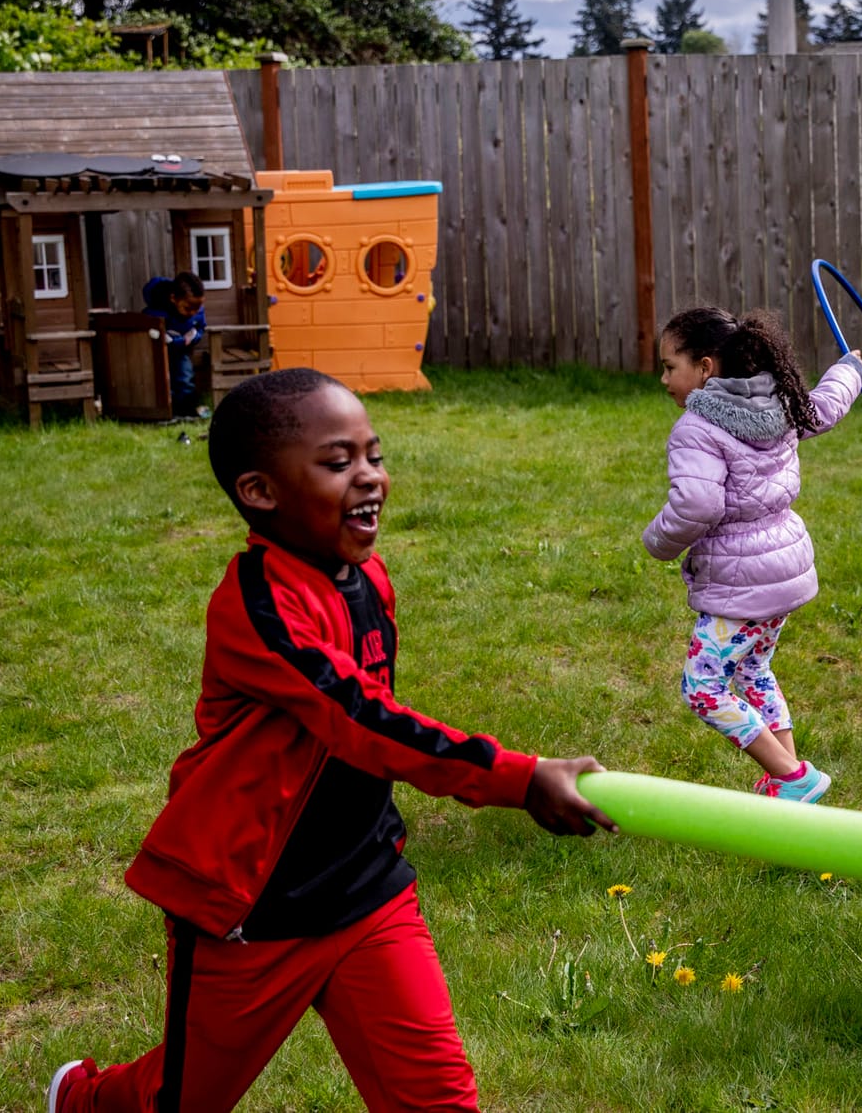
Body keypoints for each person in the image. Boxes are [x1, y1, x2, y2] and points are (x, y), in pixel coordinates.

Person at [46, 368, 613, 1112]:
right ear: (260, 491)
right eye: (339, 462)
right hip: (254, 910)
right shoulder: (255, 607)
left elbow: (370, 725)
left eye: (374, 455)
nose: (370, 476)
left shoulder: (365, 578)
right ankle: (84, 1102)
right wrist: (516, 775)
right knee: (181, 1103)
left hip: (368, 889)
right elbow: (359, 717)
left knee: (439, 1104)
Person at [642, 308, 862, 802]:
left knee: (703, 688)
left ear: (704, 368)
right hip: (784, 570)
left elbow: (698, 504)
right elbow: (826, 405)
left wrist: (656, 541)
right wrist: (850, 369)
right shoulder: (779, 403)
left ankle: (795, 777)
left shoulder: (698, 428)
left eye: (670, 366)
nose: (664, 379)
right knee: (753, 671)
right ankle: (787, 784)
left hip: (741, 584)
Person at [142, 272, 206, 417]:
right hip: (157, 352)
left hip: (181, 351)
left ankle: (186, 410)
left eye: (197, 308)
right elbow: (150, 328)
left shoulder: (197, 311)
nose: (193, 312)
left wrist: (194, 336)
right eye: (188, 308)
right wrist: (167, 338)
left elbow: (200, 327)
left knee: (185, 376)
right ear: (173, 299)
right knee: (161, 379)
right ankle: (167, 410)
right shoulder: (157, 309)